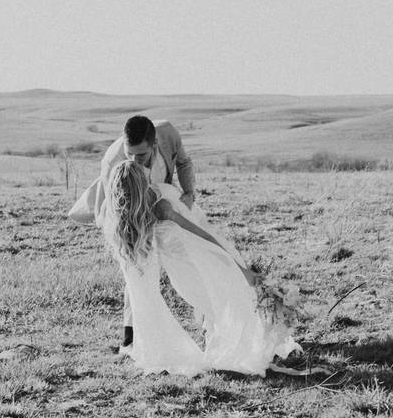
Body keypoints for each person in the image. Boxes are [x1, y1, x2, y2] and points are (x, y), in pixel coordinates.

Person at [100, 160, 300, 376]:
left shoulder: (122, 220)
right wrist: (234, 263)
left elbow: (197, 237)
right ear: (141, 185)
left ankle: (244, 337)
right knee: (226, 302)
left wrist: (236, 265)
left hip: (189, 269)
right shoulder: (159, 207)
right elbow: (200, 234)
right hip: (194, 267)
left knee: (225, 303)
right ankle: (244, 342)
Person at [98, 116, 196, 351]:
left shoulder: (169, 135)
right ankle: (131, 334)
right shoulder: (114, 162)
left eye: (140, 156)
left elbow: (183, 162)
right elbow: (107, 209)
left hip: (163, 201)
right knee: (137, 270)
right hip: (130, 214)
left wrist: (189, 192)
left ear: (153, 145)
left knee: (185, 258)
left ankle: (204, 312)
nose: (134, 161)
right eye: (129, 154)